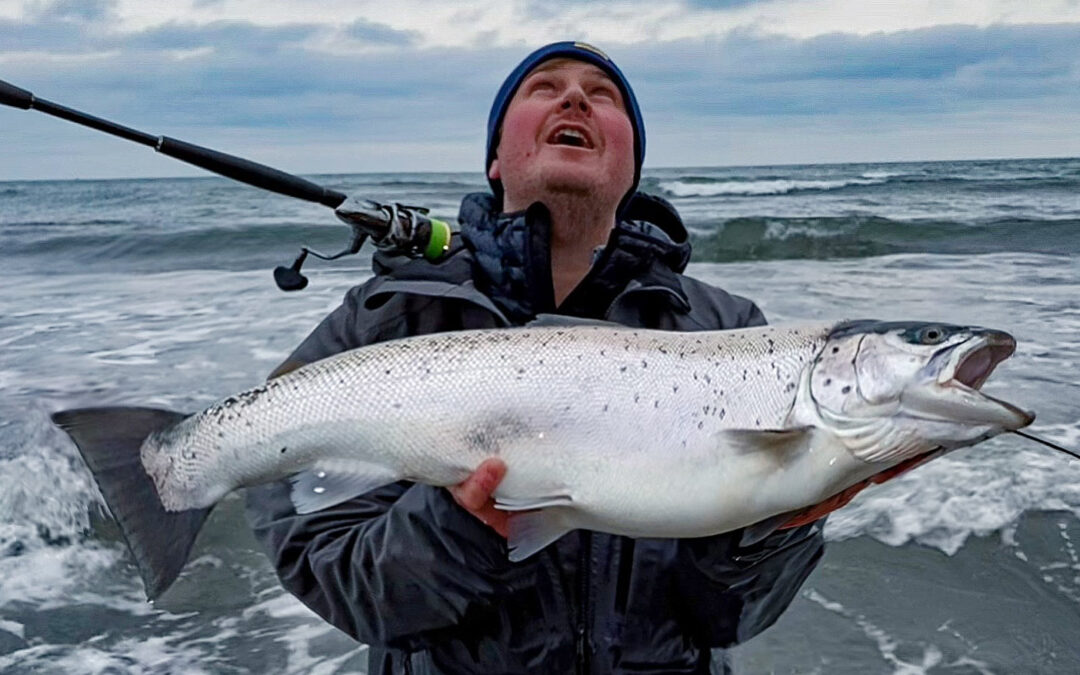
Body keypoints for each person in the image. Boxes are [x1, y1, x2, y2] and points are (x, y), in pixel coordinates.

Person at [246, 41, 825, 674]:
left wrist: (776, 525)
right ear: (496, 157)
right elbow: (343, 584)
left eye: (603, 95)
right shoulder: (386, 320)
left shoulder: (727, 331)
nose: (575, 98)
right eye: (544, 88)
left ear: (632, 166)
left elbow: (730, 618)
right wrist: (461, 526)